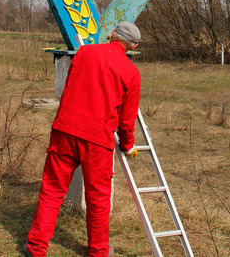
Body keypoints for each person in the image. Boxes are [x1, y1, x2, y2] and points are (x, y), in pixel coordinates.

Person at [23, 21, 142, 257]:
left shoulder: (85, 52)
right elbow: (127, 120)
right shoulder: (131, 73)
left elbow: (70, 88)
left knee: (52, 189)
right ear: (134, 46)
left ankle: (35, 247)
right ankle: (98, 251)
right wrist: (128, 146)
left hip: (65, 130)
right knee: (98, 198)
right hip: (98, 141)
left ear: (111, 34)